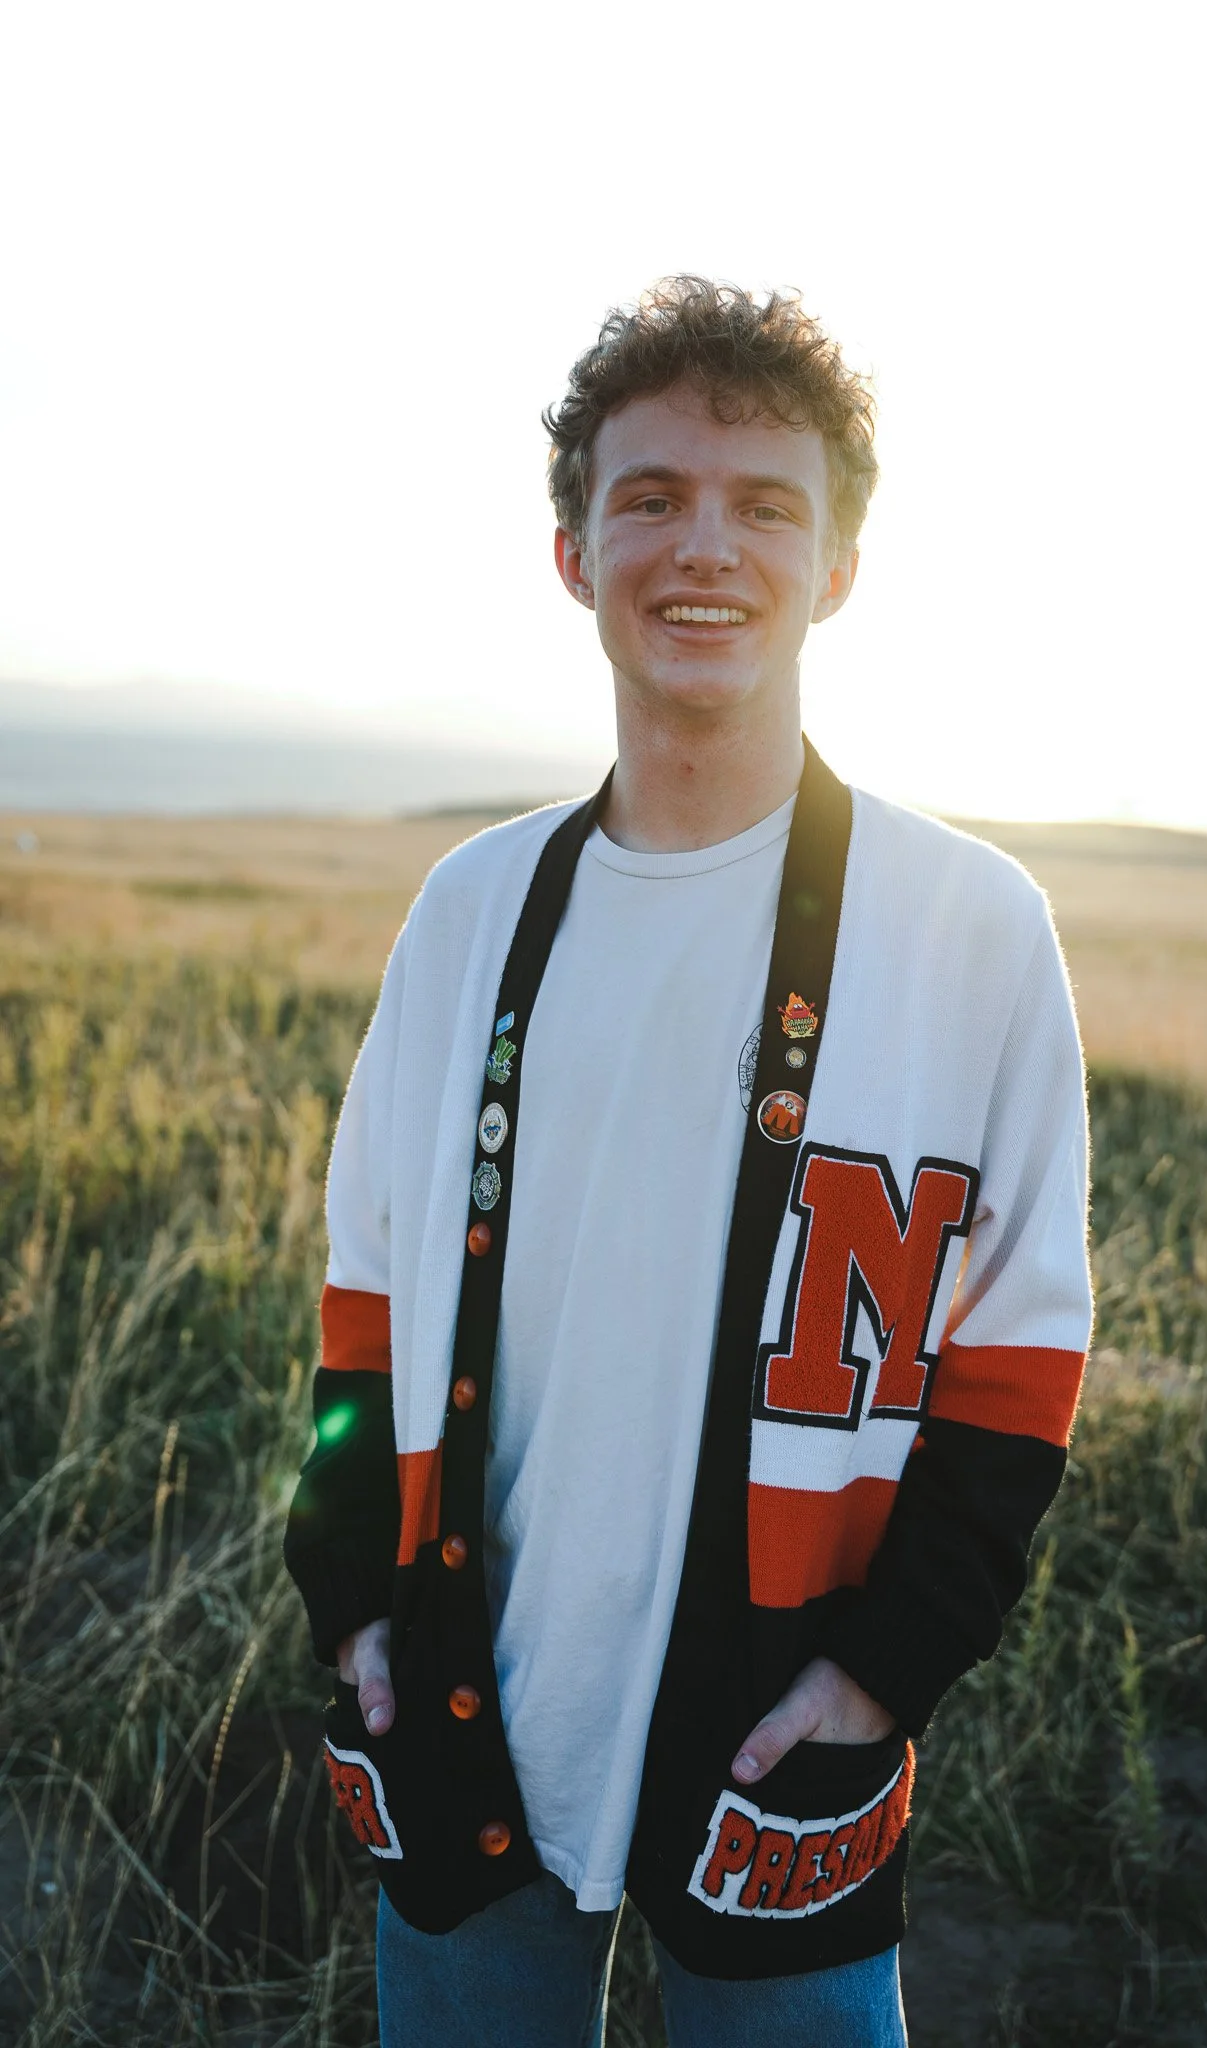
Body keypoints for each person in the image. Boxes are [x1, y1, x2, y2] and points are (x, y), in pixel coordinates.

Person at [283, 276, 1093, 2046]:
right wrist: (353, 1594)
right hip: (462, 1705)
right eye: (647, 496)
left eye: (765, 504)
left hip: (779, 1739)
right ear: (575, 552)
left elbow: (1023, 1358)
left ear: (843, 567)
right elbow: (363, 1293)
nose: (701, 547)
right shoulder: (469, 912)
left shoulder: (972, 929)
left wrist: (885, 1673)